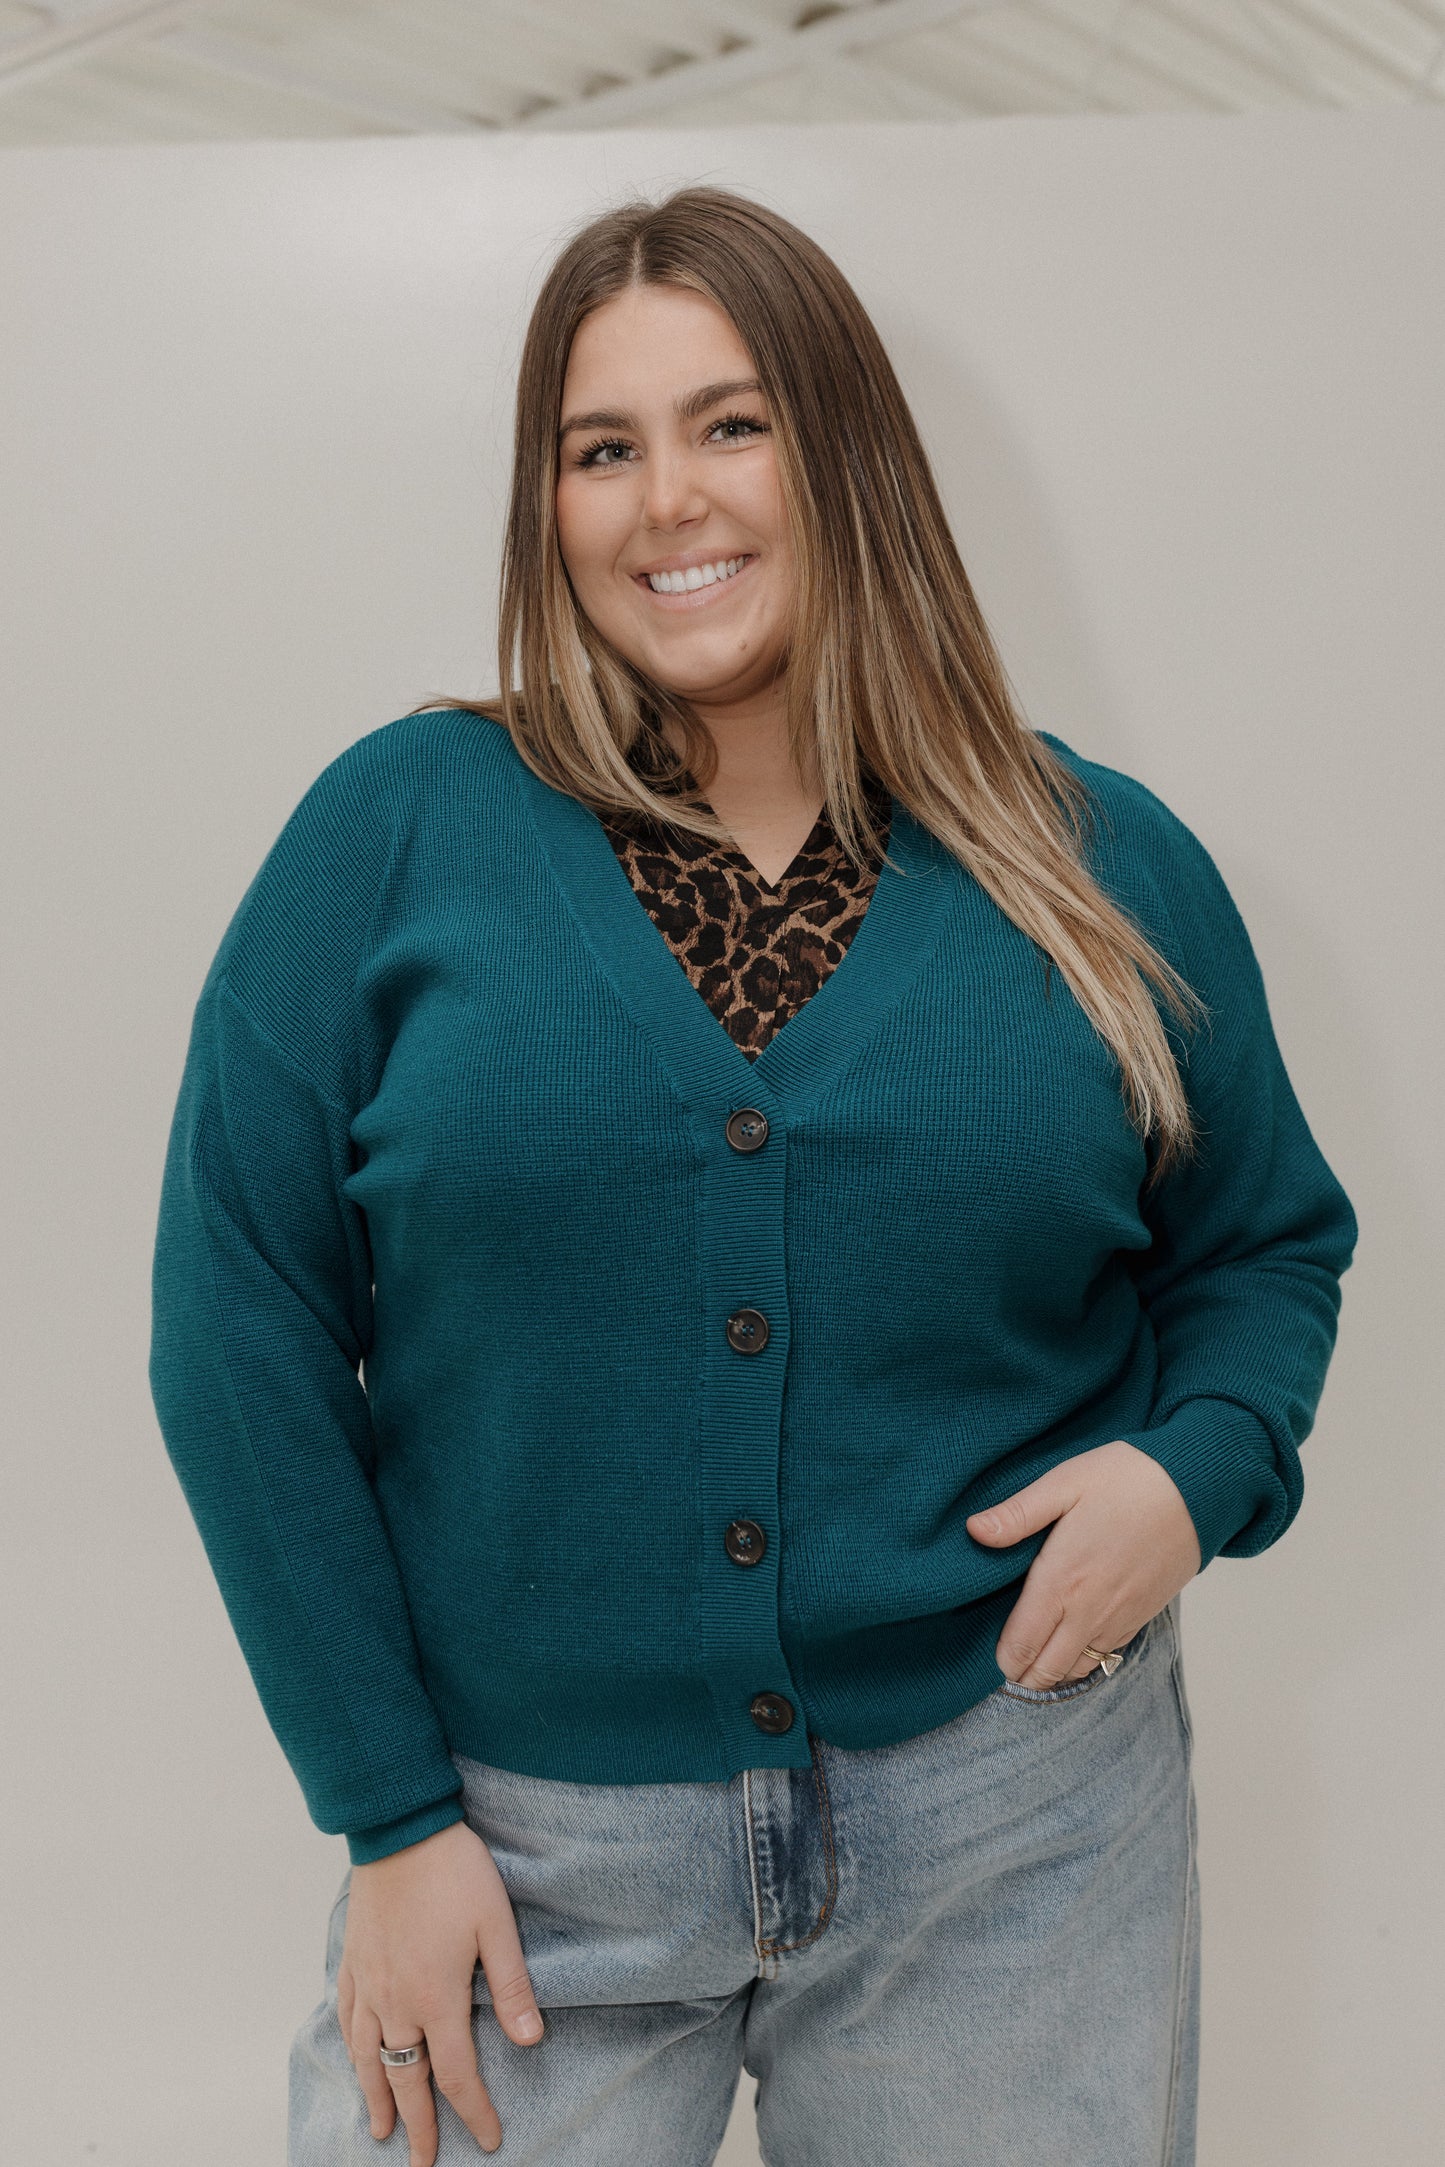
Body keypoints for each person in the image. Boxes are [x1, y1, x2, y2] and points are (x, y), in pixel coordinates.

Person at [149, 185, 1358, 2167]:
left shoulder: (1098, 863)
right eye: (599, 447)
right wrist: (390, 1815)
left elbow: (1263, 1244)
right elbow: (240, 1329)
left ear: (846, 452)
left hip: (1019, 1821)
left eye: (731, 423)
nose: (664, 502)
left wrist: (1190, 1467)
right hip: (523, 1855)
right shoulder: (398, 835)